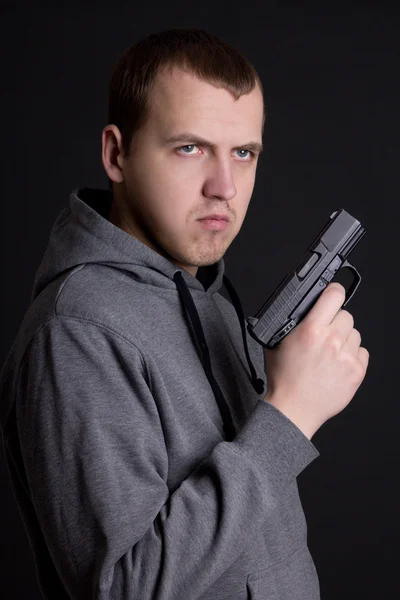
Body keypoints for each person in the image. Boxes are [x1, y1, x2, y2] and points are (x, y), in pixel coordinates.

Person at [0, 28, 369, 600]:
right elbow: (125, 589)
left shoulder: (212, 302)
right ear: (116, 155)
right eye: (190, 148)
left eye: (243, 153)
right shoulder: (77, 331)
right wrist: (290, 415)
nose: (224, 187)